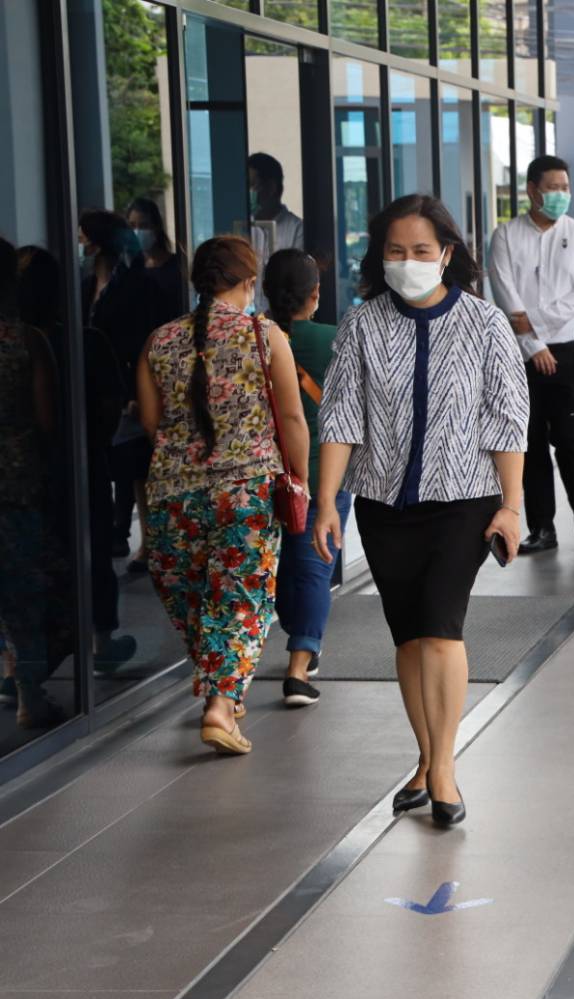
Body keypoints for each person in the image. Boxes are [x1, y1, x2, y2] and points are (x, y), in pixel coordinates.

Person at [316, 194, 528, 827]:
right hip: (384, 504)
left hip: (464, 501)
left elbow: (507, 419)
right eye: (395, 251)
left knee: (440, 628)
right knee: (408, 637)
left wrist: (512, 506)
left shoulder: (486, 324)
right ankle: (428, 758)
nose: (407, 261)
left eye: (420, 250)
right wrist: (327, 503)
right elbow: (340, 417)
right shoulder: (362, 325)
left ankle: (444, 771)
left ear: (447, 253)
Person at [136, 235, 311, 755]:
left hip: (172, 495)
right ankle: (219, 705)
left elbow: (150, 423)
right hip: (246, 493)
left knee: (195, 601)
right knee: (240, 599)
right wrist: (299, 477)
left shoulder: (158, 340)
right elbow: (292, 417)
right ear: (248, 281)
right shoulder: (265, 334)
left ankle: (224, 694)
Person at [17, 246, 136, 677]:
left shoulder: (19, 343)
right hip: (83, 466)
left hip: (26, 476)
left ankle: (20, 662)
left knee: (28, 564)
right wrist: (93, 446)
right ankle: (100, 641)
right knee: (94, 554)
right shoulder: (85, 341)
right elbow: (110, 406)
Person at [487, 155, 574, 553]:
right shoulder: (505, 235)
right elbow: (505, 294)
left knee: (570, 437)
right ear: (532, 190)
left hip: (568, 351)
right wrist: (534, 346)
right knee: (529, 442)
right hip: (520, 356)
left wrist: (534, 321)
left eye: (565, 188)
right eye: (553, 188)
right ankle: (542, 527)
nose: (561, 194)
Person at [263, 249, 349, 707]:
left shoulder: (254, 337)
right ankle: (299, 666)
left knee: (278, 563)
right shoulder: (334, 340)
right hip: (321, 472)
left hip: (262, 472)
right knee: (315, 564)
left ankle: (297, 634)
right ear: (315, 294)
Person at [0, 238, 75, 730]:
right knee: (25, 591)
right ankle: (28, 692)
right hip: (19, 482)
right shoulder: (27, 341)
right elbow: (49, 420)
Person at [80, 209, 159, 574]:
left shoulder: (133, 285)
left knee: (135, 464)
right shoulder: (84, 283)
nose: (80, 243)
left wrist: (135, 390)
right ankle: (119, 530)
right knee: (117, 463)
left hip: (125, 385)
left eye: (84, 236)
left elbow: (137, 338)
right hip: (93, 387)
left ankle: (148, 541)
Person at [248, 152, 305, 316]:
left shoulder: (297, 229)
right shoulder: (244, 228)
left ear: (271, 188)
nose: (247, 191)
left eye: (252, 184)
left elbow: (296, 281)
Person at [127, 196, 188, 326]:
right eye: (132, 226)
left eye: (144, 226)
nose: (137, 232)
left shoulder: (177, 266)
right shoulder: (133, 267)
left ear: (157, 227)